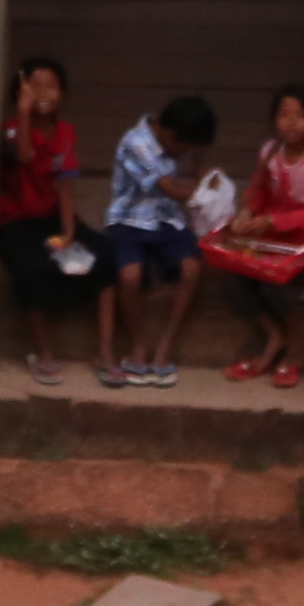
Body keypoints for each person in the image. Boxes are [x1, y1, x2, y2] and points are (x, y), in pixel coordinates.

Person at [206, 83, 304, 388]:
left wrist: (273, 221)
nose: (291, 123)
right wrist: (248, 212)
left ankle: (295, 349)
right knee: (235, 281)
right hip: (269, 234)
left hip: (303, 237)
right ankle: (274, 337)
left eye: (300, 115)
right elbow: (258, 190)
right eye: (284, 114)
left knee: (277, 285)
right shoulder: (269, 152)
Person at [0, 56, 102, 380]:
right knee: (28, 269)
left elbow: (65, 188)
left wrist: (68, 236)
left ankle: (105, 354)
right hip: (15, 222)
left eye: (50, 86)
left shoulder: (66, 133)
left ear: (63, 94)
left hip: (53, 219)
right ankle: (45, 353)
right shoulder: (10, 131)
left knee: (106, 259)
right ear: (19, 94)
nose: (43, 93)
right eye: (33, 86)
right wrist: (23, 112)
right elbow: (23, 156)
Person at [95, 91, 214, 386]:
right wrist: (209, 195)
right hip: (129, 219)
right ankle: (138, 346)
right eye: (184, 147)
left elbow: (195, 163)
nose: (184, 153)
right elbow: (171, 189)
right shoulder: (137, 144)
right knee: (130, 276)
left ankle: (163, 349)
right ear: (171, 135)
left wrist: (203, 172)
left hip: (165, 218)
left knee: (192, 268)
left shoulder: (173, 136)